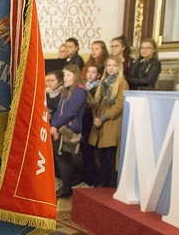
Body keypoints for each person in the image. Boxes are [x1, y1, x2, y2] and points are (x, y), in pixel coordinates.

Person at [88, 56, 129, 188]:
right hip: (99, 120)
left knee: (111, 155)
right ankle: (102, 183)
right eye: (109, 65)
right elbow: (96, 102)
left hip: (111, 121)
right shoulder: (103, 82)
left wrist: (103, 118)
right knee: (101, 157)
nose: (111, 68)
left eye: (114, 65)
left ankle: (111, 185)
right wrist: (95, 116)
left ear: (119, 67)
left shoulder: (122, 82)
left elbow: (119, 105)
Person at [50, 65, 87, 198]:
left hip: (69, 129)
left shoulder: (79, 91)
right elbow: (59, 111)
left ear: (75, 76)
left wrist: (55, 126)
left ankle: (67, 188)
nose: (65, 78)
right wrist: (53, 125)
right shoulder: (66, 91)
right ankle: (66, 185)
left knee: (64, 158)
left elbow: (69, 112)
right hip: (60, 127)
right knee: (61, 158)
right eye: (64, 75)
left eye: (68, 75)